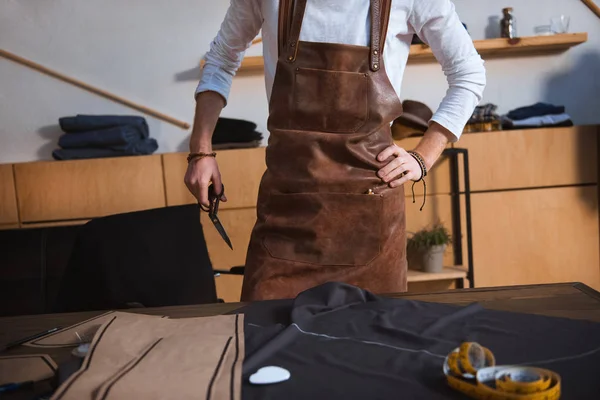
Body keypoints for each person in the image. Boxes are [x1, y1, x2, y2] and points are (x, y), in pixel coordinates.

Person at [185, 0, 486, 301]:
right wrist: (201, 150)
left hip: (370, 219)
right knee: (263, 334)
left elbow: (469, 72)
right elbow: (221, 60)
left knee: (369, 343)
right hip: (288, 210)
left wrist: (424, 155)